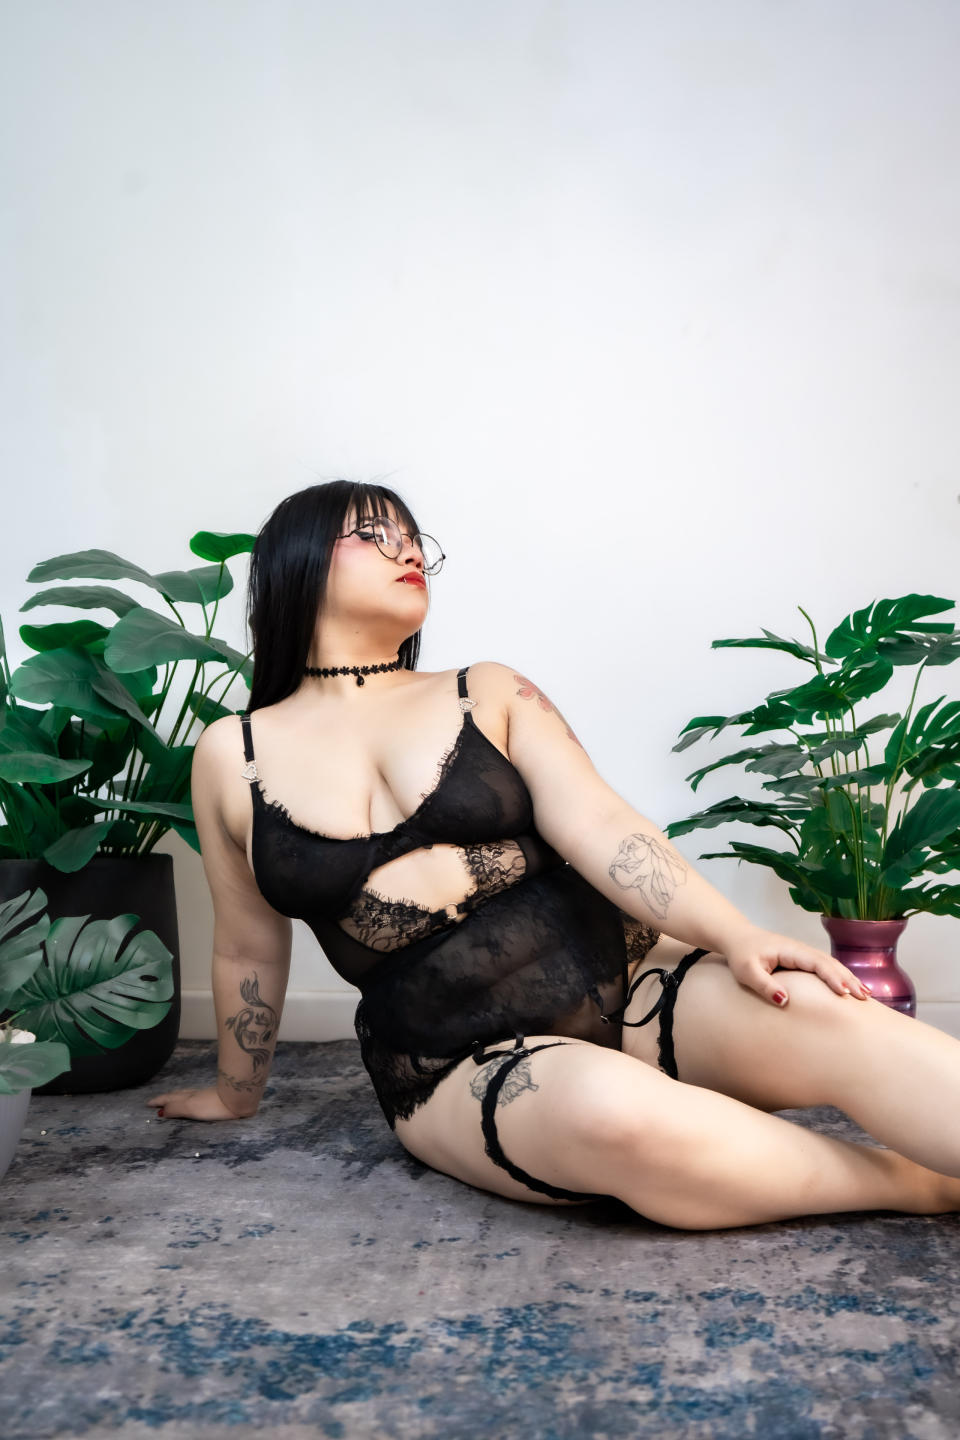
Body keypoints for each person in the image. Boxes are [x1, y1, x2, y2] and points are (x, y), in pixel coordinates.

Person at [148, 480, 960, 1229]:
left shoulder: (488, 690)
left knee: (828, 1014)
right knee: (615, 1113)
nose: (408, 551)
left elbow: (603, 826)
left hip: (633, 984)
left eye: (413, 538)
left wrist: (737, 936)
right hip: (459, 1064)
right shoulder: (231, 754)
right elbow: (247, 946)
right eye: (373, 534)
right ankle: (916, 1186)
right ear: (294, 563)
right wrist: (235, 1092)